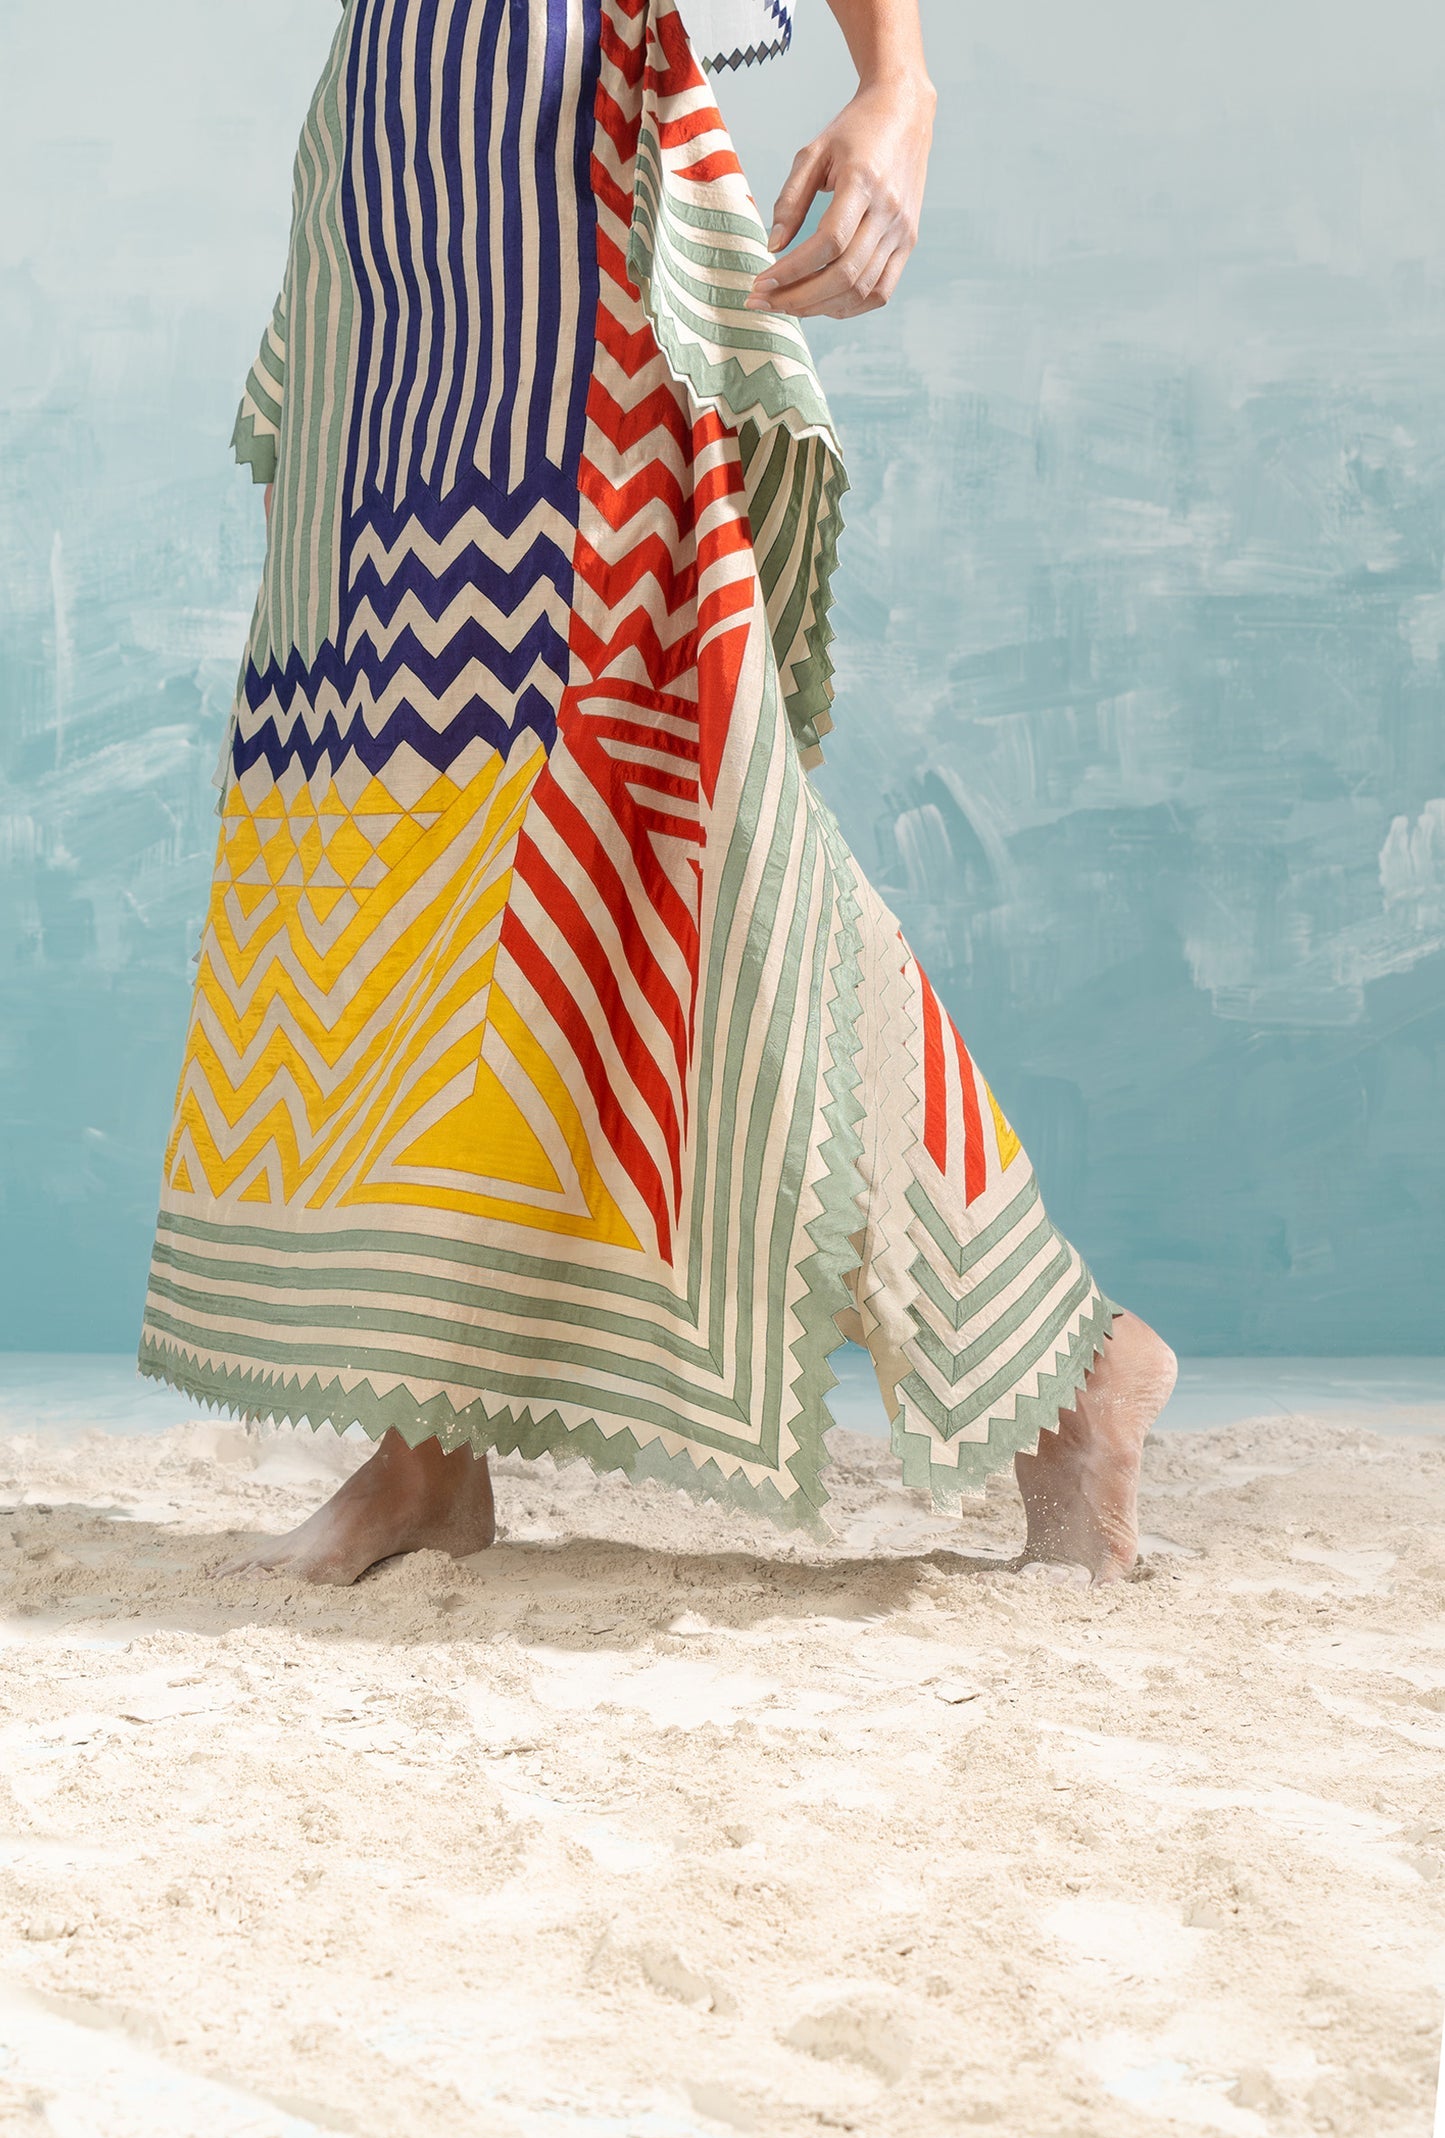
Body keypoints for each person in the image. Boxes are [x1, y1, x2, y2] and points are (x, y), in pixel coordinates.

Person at [139, 0, 1176, 1586]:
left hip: (570, 188)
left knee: (665, 819)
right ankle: (422, 1449)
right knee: (387, 808)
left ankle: (1068, 1375)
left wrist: (897, 83)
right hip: (388, 182)